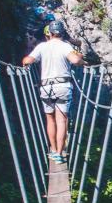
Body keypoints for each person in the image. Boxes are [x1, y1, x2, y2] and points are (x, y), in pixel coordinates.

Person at [22, 20, 84, 164]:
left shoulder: (42, 46)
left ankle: (53, 149)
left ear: (49, 33)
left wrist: (25, 61)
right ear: (62, 33)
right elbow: (75, 60)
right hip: (63, 86)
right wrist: (81, 59)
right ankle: (59, 154)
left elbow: (28, 60)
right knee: (61, 120)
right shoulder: (65, 46)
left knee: (50, 119)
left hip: (45, 88)